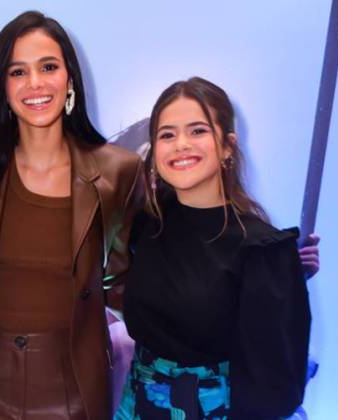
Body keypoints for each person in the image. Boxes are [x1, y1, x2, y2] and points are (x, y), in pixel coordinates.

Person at [0, 11, 143, 420]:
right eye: (18, 71)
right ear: (1, 86)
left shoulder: (118, 172)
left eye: (48, 67)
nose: (35, 83)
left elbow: (125, 283)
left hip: (74, 384)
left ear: (70, 80)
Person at [115, 77, 312, 419]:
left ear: (227, 146)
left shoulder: (262, 250)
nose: (181, 145)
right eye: (167, 135)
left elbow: (275, 388)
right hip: (134, 406)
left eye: (197, 131)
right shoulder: (147, 224)